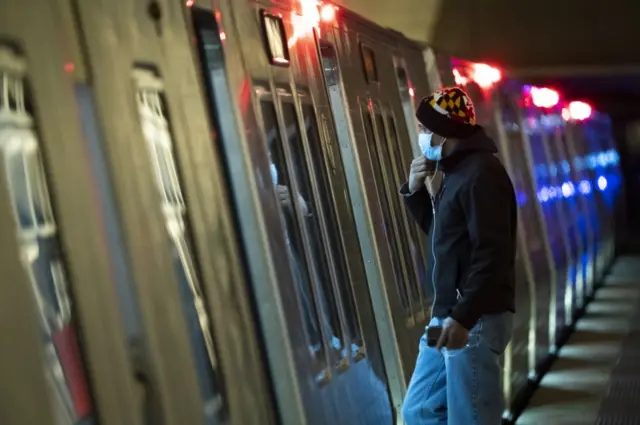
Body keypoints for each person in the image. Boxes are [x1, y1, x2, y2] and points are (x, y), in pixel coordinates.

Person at [399, 87, 517, 425]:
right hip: (446, 318)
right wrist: (415, 191)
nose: (421, 135)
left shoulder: (481, 174)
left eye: (424, 128)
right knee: (419, 409)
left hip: (471, 321)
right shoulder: (456, 173)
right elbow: (446, 241)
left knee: (471, 418)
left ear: (443, 131)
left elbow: (491, 253)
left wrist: (464, 317)